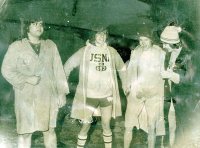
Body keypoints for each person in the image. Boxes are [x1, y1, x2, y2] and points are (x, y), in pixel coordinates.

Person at [1, 17, 69, 148]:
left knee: (49, 130)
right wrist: (26, 78)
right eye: (34, 23)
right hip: (26, 97)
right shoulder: (17, 46)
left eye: (41, 24)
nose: (39, 27)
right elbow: (6, 70)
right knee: (25, 133)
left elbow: (59, 70)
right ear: (27, 27)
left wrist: (62, 93)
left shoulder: (50, 45)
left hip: (48, 96)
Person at [64, 30, 125, 148]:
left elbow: (122, 69)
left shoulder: (111, 51)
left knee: (106, 125)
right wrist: (64, 83)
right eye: (98, 34)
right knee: (85, 125)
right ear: (94, 36)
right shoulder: (85, 50)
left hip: (106, 95)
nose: (101, 36)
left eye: (104, 34)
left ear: (106, 36)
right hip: (89, 96)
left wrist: (126, 84)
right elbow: (68, 65)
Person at [124, 28, 165, 148]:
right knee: (128, 125)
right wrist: (128, 85)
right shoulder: (136, 52)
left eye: (145, 40)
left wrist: (152, 91)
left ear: (151, 40)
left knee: (151, 126)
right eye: (140, 40)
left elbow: (161, 75)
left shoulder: (159, 53)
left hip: (153, 94)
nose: (142, 43)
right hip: (137, 92)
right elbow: (131, 69)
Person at [160, 25, 194, 147]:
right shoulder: (168, 54)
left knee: (182, 128)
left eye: (165, 44)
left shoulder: (187, 55)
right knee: (169, 126)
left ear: (173, 42)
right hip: (169, 97)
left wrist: (170, 75)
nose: (163, 46)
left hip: (182, 99)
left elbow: (189, 79)